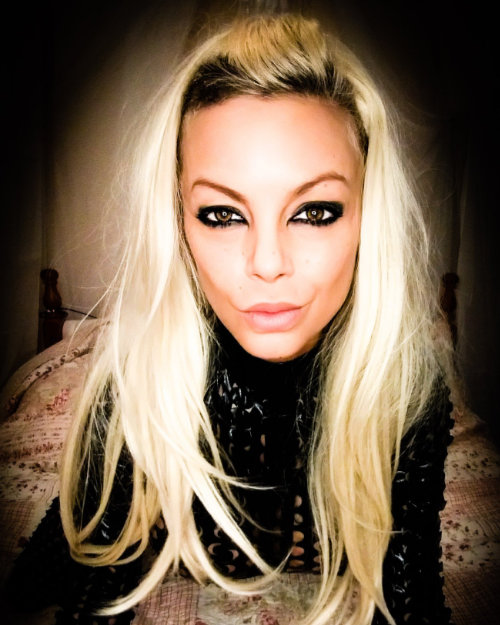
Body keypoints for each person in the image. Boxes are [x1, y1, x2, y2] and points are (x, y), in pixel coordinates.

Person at [7, 13, 454, 625]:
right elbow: (86, 587)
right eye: (222, 215)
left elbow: (411, 599)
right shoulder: (140, 383)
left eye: (315, 211)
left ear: (366, 218)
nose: (267, 264)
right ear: (178, 224)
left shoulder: (406, 389)